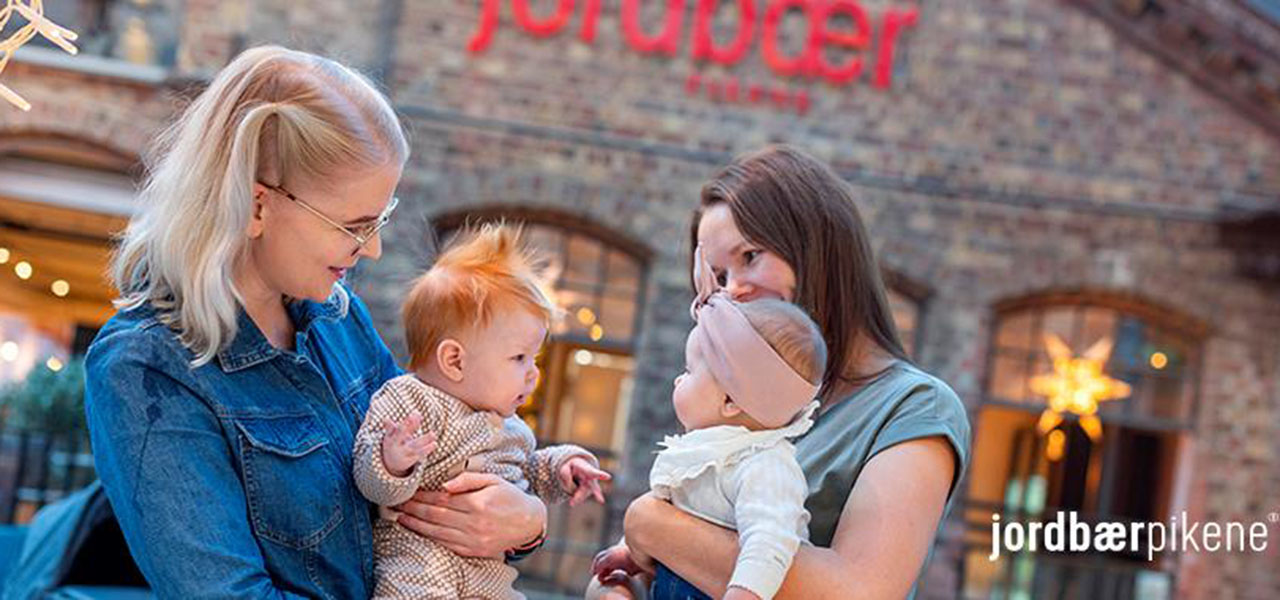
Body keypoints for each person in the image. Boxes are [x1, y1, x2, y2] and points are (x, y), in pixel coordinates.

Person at [84, 46, 547, 599]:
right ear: (257, 206)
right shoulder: (147, 367)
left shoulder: (333, 315)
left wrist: (525, 521)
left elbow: (434, 463)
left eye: (380, 220)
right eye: (353, 226)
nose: (371, 248)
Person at [590, 145, 971, 599]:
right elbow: (625, 572)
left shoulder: (913, 408)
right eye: (717, 275)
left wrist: (649, 523)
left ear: (817, 248)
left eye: (750, 255)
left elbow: (860, 592)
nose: (734, 291)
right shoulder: (731, 391)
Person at [354, 224, 611, 599]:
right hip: (418, 563)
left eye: (534, 358)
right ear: (454, 360)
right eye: (519, 357)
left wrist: (562, 467)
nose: (534, 372)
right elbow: (369, 480)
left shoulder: (511, 427)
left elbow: (528, 471)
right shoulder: (411, 402)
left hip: (489, 576)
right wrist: (392, 461)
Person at [592, 246, 828, 600]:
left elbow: (769, 542)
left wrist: (744, 593)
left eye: (688, 371)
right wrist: (630, 552)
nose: (677, 380)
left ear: (730, 401)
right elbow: (671, 514)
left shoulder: (764, 465)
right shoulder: (706, 453)